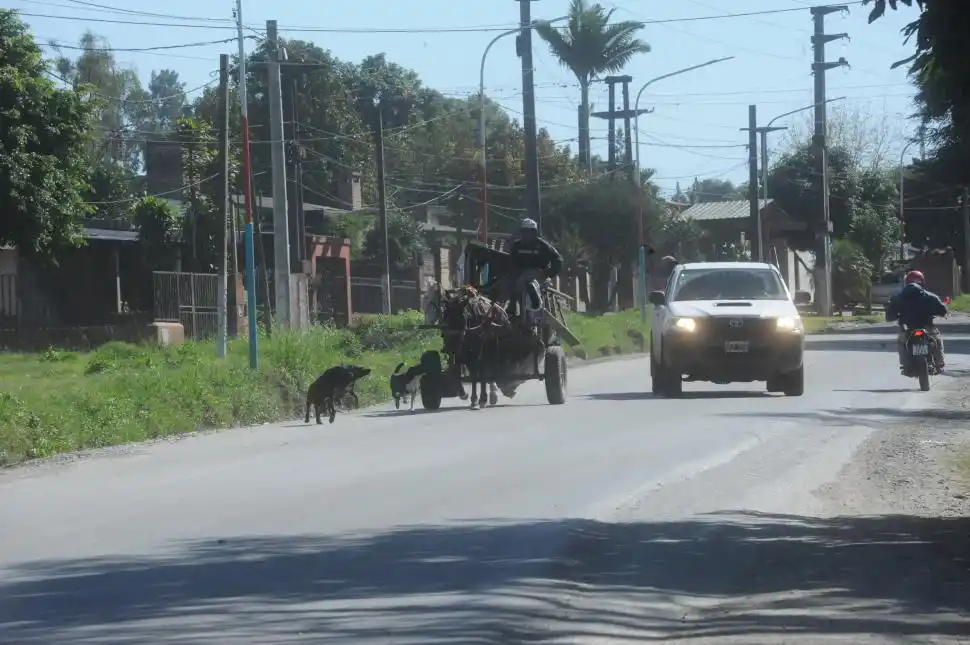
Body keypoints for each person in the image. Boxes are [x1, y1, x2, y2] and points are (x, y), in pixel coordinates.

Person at [493, 218, 562, 319]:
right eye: (524, 232)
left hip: (537, 274)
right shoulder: (517, 245)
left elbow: (558, 259)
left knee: (522, 281)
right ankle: (500, 312)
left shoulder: (543, 246)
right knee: (503, 283)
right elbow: (511, 262)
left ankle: (523, 313)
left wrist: (548, 273)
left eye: (529, 232)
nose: (526, 235)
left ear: (534, 233)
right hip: (518, 273)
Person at [885, 270, 948, 371]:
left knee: (901, 342)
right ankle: (939, 362)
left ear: (906, 282)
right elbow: (943, 310)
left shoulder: (899, 298)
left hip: (908, 328)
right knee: (937, 339)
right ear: (922, 282)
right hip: (927, 327)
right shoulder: (930, 296)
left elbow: (889, 315)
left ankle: (905, 364)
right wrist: (942, 313)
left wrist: (894, 316)